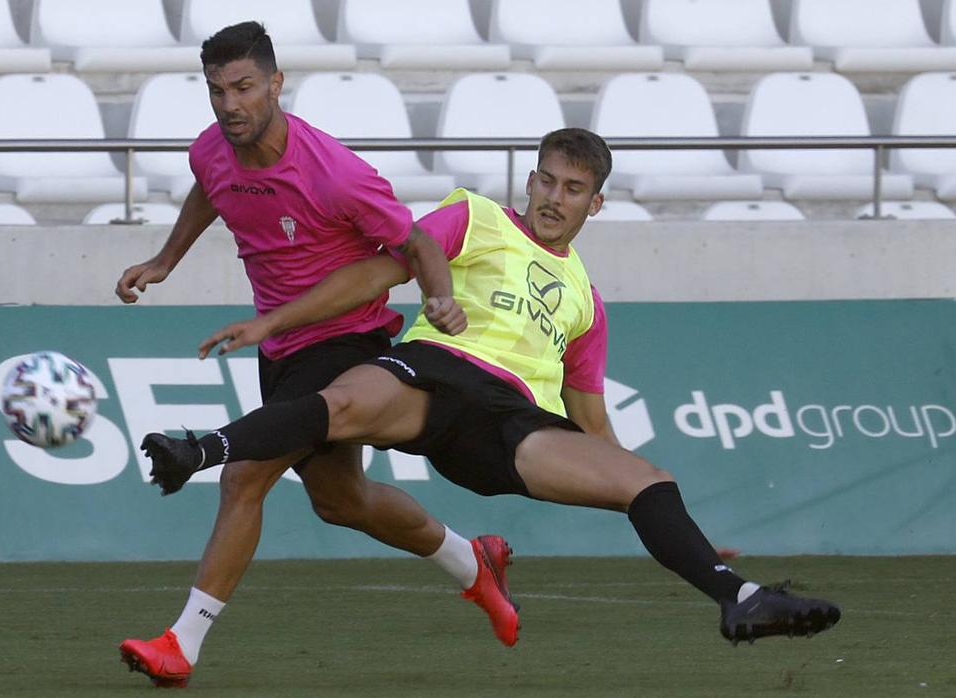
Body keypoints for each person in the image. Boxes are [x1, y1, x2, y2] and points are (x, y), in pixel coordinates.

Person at [142, 128, 843, 663]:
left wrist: (676, 530)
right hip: (433, 375)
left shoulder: (586, 304)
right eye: (545, 180)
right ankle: (195, 450)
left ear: (593, 203)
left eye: (571, 189)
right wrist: (276, 321)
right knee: (346, 403)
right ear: (529, 179)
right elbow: (380, 272)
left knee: (649, 480)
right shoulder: (473, 217)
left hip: (509, 427)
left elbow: (591, 419)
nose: (551, 197)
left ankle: (739, 598)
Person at [115, 22, 519, 689]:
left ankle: (180, 644)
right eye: (216, 90)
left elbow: (415, 243)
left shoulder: (333, 171)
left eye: (244, 87)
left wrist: (439, 299)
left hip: (345, 340)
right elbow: (209, 187)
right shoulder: (212, 150)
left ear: (275, 84)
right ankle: (472, 563)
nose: (230, 104)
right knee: (340, 499)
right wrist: (164, 260)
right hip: (279, 345)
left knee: (244, 478)